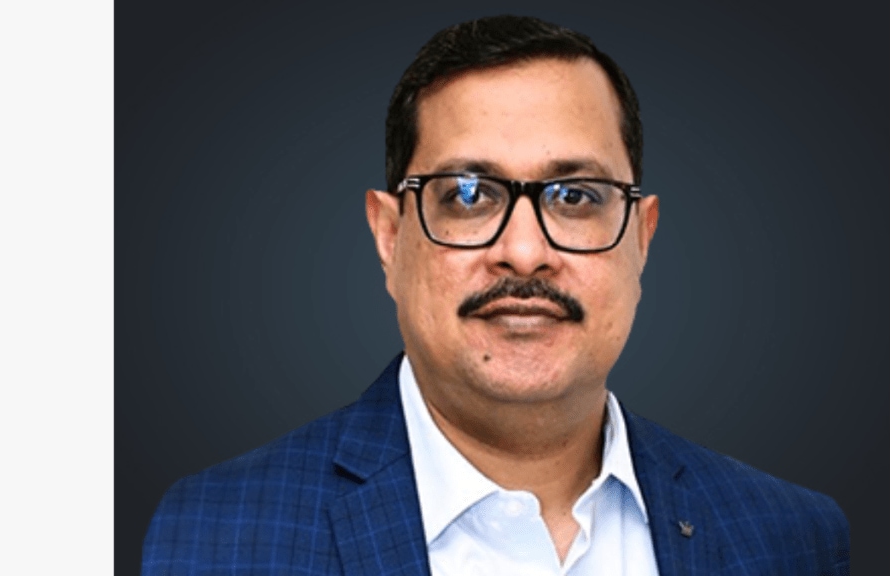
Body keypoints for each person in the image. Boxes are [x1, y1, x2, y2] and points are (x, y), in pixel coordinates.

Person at [142, 15, 849, 575]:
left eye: (576, 196)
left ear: (642, 238)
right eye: (468, 194)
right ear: (389, 237)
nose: (526, 251)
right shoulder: (208, 536)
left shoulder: (795, 539)